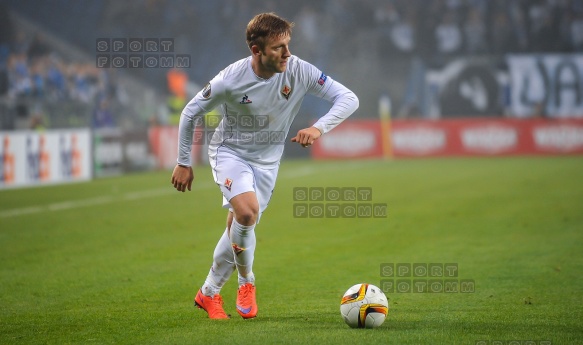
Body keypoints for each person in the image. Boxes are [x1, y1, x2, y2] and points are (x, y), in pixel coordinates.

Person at [171, 12, 359, 320]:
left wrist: (319, 128)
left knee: (238, 228)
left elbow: (348, 98)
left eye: (288, 45)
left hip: (268, 162)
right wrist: (183, 162)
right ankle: (247, 283)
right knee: (247, 213)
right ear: (256, 50)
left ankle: (207, 293)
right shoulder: (230, 79)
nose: (287, 53)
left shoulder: (299, 70)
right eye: (278, 48)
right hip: (229, 151)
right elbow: (190, 113)